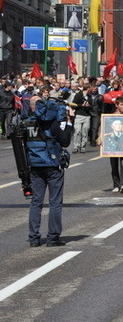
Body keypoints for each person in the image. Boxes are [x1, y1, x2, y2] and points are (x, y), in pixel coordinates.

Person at [24, 94, 74, 247]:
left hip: (34, 166)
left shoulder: (26, 123)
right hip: (53, 166)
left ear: (32, 107)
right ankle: (53, 237)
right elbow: (65, 141)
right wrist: (69, 122)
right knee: (55, 203)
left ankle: (33, 238)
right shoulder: (53, 123)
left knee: (36, 202)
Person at [102, 96, 123, 193]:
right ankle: (116, 184)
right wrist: (100, 140)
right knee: (114, 166)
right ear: (117, 105)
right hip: (113, 145)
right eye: (121, 104)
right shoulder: (110, 117)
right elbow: (103, 129)